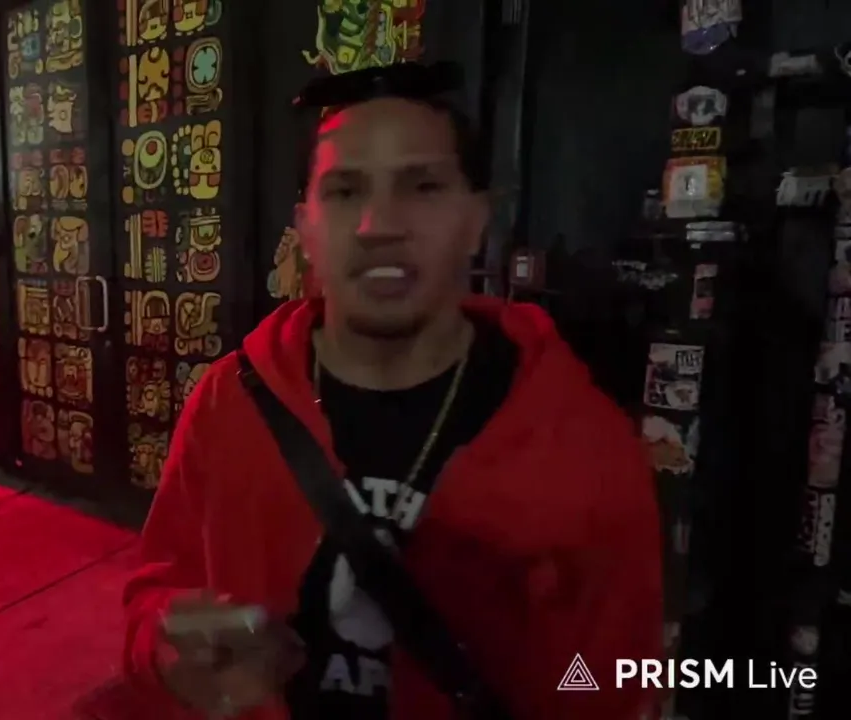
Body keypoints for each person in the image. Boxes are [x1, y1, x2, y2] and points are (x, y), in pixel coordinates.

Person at [122, 62, 663, 720]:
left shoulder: (584, 448)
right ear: (305, 228)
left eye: (423, 186)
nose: (379, 224)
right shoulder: (228, 401)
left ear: (477, 219)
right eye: (345, 191)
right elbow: (157, 594)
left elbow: (607, 682)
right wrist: (166, 653)